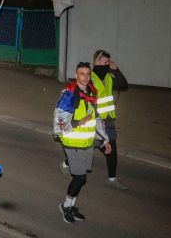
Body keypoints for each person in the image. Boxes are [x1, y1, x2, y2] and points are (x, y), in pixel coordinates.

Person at [53, 62, 111, 224]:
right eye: (81, 74)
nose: (85, 77)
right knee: (80, 178)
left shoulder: (92, 92)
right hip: (72, 142)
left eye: (87, 74)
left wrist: (105, 139)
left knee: (82, 178)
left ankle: (71, 206)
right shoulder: (70, 94)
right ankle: (65, 206)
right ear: (76, 75)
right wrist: (77, 123)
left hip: (86, 142)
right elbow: (59, 121)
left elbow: (97, 119)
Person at [90, 49, 129, 190]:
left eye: (108, 62)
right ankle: (68, 164)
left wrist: (116, 70)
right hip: (94, 121)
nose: (107, 65)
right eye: (104, 62)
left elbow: (124, 85)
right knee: (85, 147)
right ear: (96, 62)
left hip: (108, 121)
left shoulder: (108, 78)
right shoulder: (90, 78)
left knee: (111, 148)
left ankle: (112, 179)